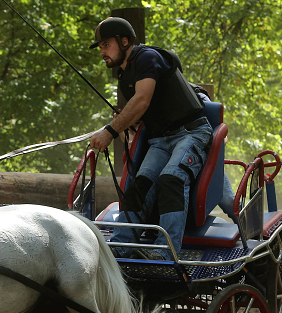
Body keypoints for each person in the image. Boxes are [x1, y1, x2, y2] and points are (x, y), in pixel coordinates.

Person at [88, 17, 214, 261]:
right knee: (138, 187)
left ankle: (166, 253)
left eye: (106, 44)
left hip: (192, 132)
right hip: (161, 140)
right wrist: (125, 120)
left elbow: (142, 100)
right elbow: (143, 112)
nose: (102, 51)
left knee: (171, 180)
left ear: (125, 41)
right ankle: (121, 250)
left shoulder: (146, 57)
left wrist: (109, 131)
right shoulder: (125, 76)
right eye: (100, 46)